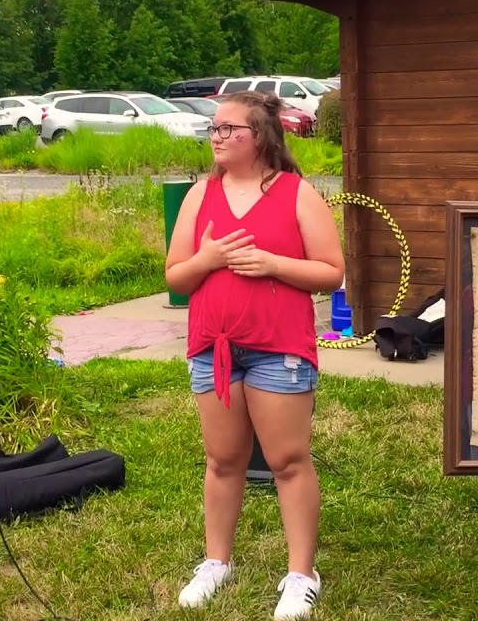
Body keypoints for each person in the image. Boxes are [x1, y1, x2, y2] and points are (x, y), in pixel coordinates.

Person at [164, 91, 344, 620]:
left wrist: (270, 263)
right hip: (212, 351)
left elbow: (331, 271)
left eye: (228, 129)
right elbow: (176, 276)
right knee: (222, 461)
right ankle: (216, 561)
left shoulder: (295, 194)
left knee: (288, 461)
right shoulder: (201, 195)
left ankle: (301, 574)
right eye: (214, 130)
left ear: (260, 136)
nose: (217, 137)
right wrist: (210, 257)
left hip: (277, 349)